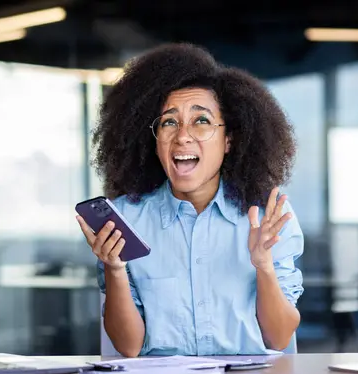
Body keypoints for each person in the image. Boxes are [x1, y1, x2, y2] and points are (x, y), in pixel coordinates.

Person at [76, 43, 304, 357]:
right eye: (169, 122)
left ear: (228, 140)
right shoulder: (127, 219)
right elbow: (128, 346)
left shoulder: (268, 216)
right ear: (152, 142)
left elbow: (278, 338)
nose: (183, 136)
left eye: (201, 121)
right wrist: (114, 268)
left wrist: (263, 265)